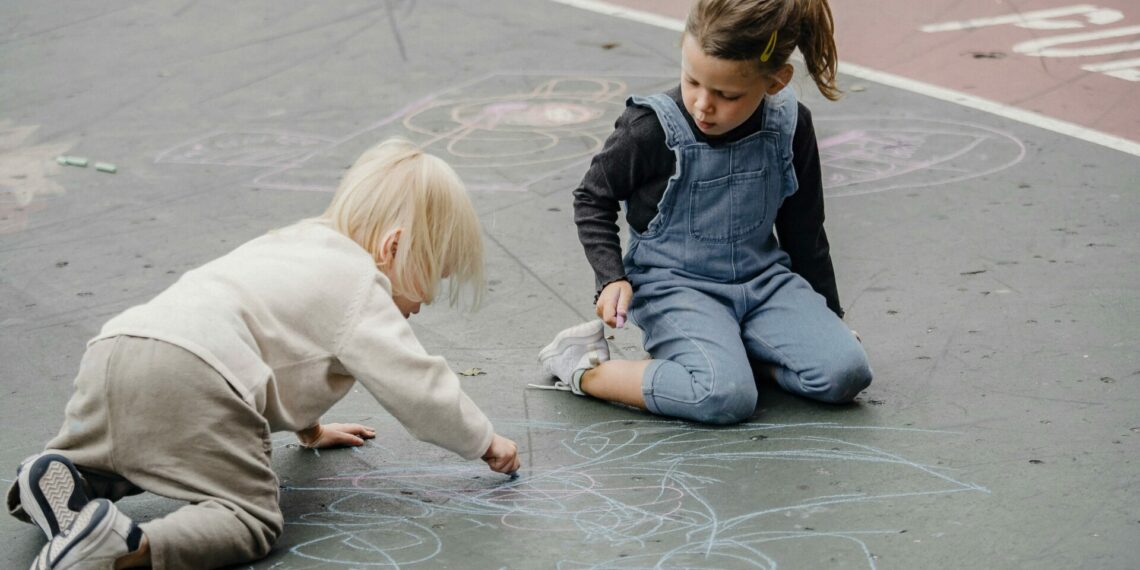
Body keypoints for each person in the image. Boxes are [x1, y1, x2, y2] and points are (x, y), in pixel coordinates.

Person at [9, 138, 520, 569]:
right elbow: (417, 387)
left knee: (145, 449)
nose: (425, 300)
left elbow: (282, 344)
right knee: (250, 519)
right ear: (392, 247)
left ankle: (69, 475)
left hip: (118, 348)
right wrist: (483, 440)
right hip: (197, 376)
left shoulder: (296, 243)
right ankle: (123, 546)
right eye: (432, 277)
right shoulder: (362, 285)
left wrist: (311, 429)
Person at [539, 0, 871, 424]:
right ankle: (583, 369)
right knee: (722, 396)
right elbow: (592, 197)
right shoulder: (650, 128)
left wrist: (829, 317)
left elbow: (805, 229)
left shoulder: (789, 124)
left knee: (847, 373)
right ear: (684, 46)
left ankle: (736, 354)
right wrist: (611, 278)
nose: (702, 105)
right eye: (692, 80)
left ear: (776, 81)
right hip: (675, 287)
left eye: (727, 94)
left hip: (763, 283)